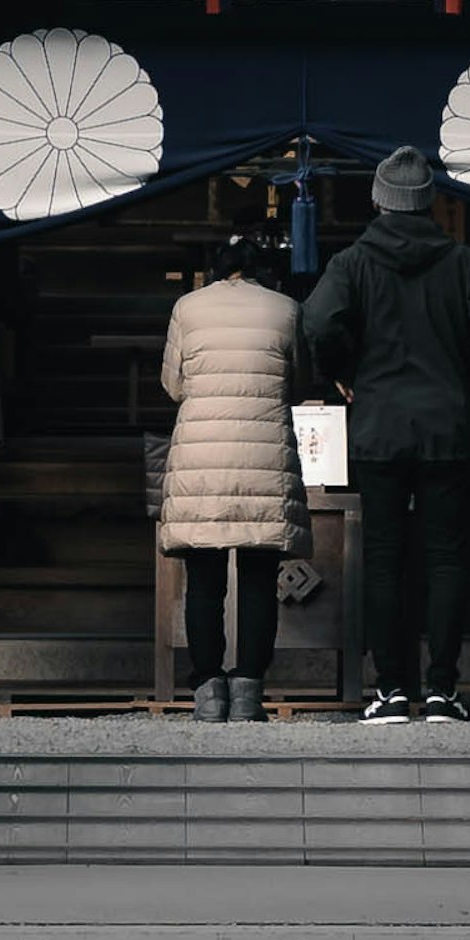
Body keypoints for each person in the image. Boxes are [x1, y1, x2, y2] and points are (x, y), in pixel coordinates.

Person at [299, 146, 470, 723]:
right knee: (445, 558)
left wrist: (343, 372)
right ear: (429, 203)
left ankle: (390, 690)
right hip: (448, 426)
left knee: (384, 557)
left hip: (379, 423)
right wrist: (467, 392)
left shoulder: (352, 264)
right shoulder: (465, 263)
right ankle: (442, 690)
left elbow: (318, 321)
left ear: (378, 201)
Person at [154, 233, 311, 723]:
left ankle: (207, 687)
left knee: (204, 581)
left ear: (218, 270)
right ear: (261, 270)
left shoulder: (188, 307)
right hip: (264, 455)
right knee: (260, 578)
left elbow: (173, 384)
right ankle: (248, 690)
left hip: (202, 459)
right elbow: (299, 382)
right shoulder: (286, 308)